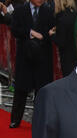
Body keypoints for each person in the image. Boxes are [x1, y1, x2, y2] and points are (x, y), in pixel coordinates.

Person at [9, 0, 55, 128]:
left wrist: (43, 36)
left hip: (43, 56)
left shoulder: (48, 11)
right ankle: (15, 119)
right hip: (25, 55)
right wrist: (30, 32)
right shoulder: (19, 10)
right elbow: (14, 29)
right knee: (21, 89)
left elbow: (52, 31)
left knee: (42, 90)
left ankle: (41, 121)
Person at [49, 0, 77, 77]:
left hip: (67, 57)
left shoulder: (62, 18)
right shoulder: (75, 14)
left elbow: (61, 41)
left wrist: (52, 35)